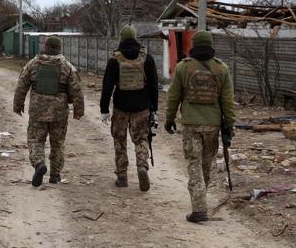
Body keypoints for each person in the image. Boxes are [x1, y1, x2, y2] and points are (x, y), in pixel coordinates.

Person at [165, 30, 236, 223]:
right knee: (205, 165)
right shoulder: (221, 68)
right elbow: (228, 101)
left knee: (193, 164)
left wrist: (169, 118)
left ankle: (199, 208)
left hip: (191, 124)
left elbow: (174, 96)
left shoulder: (183, 67)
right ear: (211, 45)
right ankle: (200, 201)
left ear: (193, 46)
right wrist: (229, 125)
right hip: (212, 125)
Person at [13, 36, 85, 187]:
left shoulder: (33, 64)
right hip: (59, 113)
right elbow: (77, 90)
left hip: (38, 111)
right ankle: (55, 175)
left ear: (45, 46)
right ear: (59, 48)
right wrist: (78, 110)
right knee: (58, 143)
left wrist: (18, 105)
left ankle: (39, 164)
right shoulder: (67, 67)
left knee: (35, 140)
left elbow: (21, 86)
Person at [100, 26, 159, 191]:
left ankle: (122, 177)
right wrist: (154, 108)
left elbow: (107, 86)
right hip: (142, 106)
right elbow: (154, 85)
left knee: (119, 140)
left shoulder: (115, 59)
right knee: (141, 139)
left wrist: (104, 108)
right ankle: (142, 166)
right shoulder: (147, 59)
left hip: (120, 106)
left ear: (121, 39)